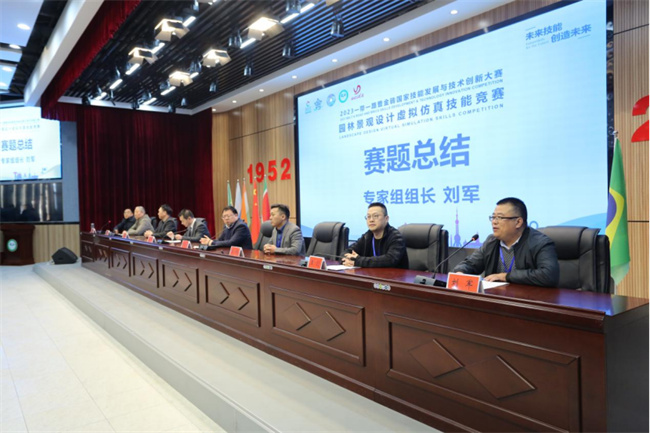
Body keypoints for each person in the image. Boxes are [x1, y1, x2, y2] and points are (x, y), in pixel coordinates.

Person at [452, 197, 560, 287]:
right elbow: (470, 264)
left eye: (499, 217)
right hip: (497, 299)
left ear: (518, 222)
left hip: (528, 300)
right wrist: (460, 272)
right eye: (493, 217)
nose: (494, 222)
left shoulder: (540, 243)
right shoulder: (491, 241)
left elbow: (549, 275)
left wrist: (505, 276)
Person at [342, 202, 409, 268]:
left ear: (386, 219)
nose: (371, 220)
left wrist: (358, 261)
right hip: (371, 274)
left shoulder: (396, 237)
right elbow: (346, 252)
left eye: (376, 216)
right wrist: (347, 260)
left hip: (393, 274)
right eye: (368, 216)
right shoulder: (367, 236)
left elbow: (390, 260)